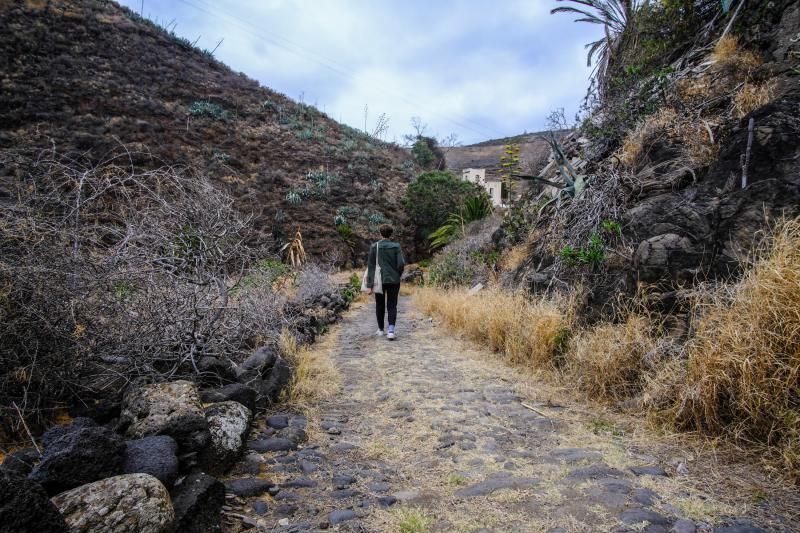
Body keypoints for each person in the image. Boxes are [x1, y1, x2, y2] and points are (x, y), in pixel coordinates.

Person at [366, 224, 405, 340]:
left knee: (380, 304)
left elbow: (371, 266)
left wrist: (369, 285)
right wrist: (398, 274)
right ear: (391, 234)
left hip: (379, 281)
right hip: (394, 280)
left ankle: (380, 329)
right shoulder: (396, 246)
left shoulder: (374, 246)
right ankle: (391, 331)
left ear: (380, 233)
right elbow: (401, 264)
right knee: (392, 305)